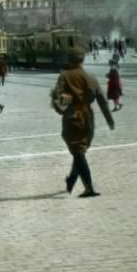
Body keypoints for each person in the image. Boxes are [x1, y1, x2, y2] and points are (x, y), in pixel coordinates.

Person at [51, 47, 115, 197]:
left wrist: (63, 106)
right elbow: (102, 101)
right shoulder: (91, 77)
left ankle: (89, 187)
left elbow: (57, 97)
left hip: (72, 116)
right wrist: (110, 121)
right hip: (88, 118)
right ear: (82, 59)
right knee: (80, 151)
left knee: (78, 152)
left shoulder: (64, 76)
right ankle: (71, 181)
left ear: (69, 59)